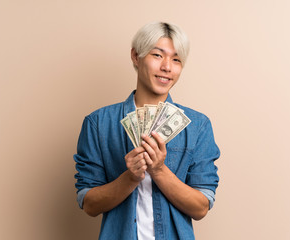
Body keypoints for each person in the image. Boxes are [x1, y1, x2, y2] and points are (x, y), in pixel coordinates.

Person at [74, 21, 220, 240]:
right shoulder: (98, 123)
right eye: (158, 55)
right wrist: (130, 178)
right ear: (135, 56)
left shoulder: (198, 125)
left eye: (177, 59)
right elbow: (89, 204)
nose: (167, 67)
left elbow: (201, 207)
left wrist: (159, 170)